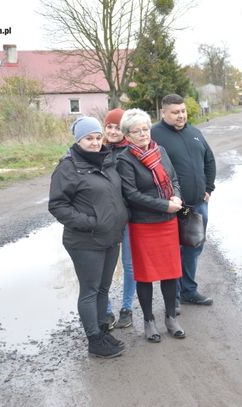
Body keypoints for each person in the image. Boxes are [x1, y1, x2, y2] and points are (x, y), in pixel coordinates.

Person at [49, 116, 128, 358]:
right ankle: (94, 341)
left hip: (110, 237)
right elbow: (58, 205)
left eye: (97, 137)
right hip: (85, 241)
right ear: (78, 140)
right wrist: (91, 223)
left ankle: (103, 331)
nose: (94, 143)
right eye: (88, 139)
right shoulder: (68, 167)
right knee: (90, 290)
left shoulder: (107, 161)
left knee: (104, 288)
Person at [116, 108, 185, 342]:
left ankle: (170, 317)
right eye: (137, 131)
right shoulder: (124, 159)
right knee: (145, 276)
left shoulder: (160, 150)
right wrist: (164, 205)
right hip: (143, 225)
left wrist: (176, 197)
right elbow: (131, 194)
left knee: (170, 274)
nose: (144, 134)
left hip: (168, 224)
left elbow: (174, 178)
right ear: (127, 135)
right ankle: (148, 321)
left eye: (146, 129)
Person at [151, 94, 216, 309]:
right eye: (175, 112)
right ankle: (173, 298)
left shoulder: (195, 132)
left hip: (197, 205)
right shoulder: (154, 135)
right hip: (172, 208)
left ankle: (189, 290)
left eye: (183, 111)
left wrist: (208, 189)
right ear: (164, 113)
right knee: (172, 251)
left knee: (193, 248)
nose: (181, 116)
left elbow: (209, 160)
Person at [102, 108, 135, 330]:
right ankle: (105, 311)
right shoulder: (97, 149)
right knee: (104, 266)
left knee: (129, 265)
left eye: (117, 127)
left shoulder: (131, 152)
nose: (113, 131)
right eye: (109, 127)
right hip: (105, 219)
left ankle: (127, 308)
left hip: (129, 217)